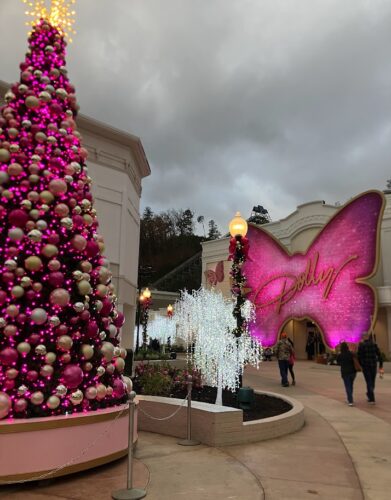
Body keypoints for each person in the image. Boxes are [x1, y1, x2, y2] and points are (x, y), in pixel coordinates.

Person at [357, 332, 383, 404]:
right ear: (368, 337)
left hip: (366, 366)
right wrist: (381, 365)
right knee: (372, 381)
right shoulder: (374, 344)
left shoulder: (361, 345)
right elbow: (379, 355)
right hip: (373, 365)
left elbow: (359, 356)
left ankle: (372, 398)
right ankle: (369, 394)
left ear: (363, 337)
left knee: (368, 381)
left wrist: (361, 365)